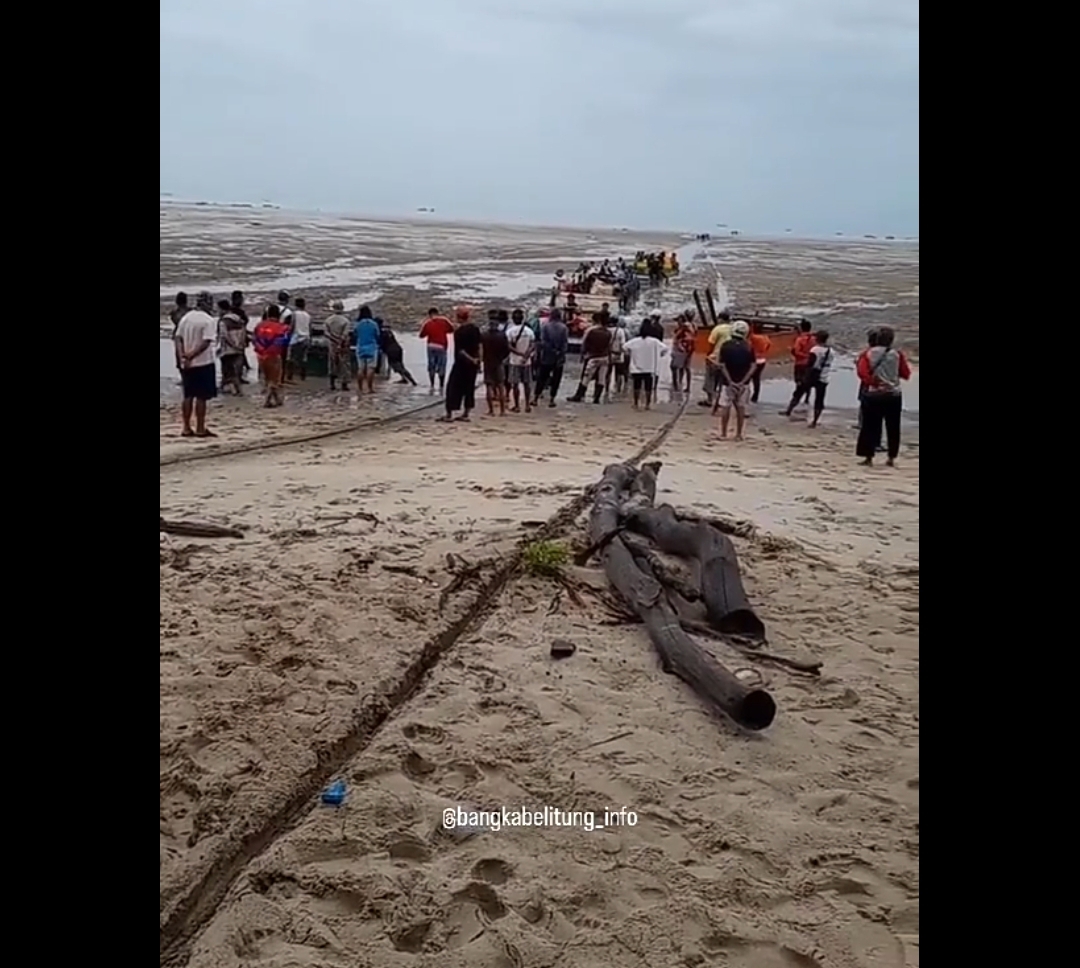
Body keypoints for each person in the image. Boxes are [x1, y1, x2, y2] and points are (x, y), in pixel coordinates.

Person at [855, 325, 911, 467]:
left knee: (870, 426)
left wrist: (874, 381)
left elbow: (862, 373)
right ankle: (891, 457)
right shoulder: (897, 354)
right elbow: (906, 374)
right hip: (893, 394)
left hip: (874, 394)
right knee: (893, 427)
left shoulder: (867, 354)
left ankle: (868, 457)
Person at [174, 291, 219, 436]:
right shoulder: (208, 320)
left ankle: (186, 427)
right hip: (203, 362)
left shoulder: (186, 318)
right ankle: (200, 427)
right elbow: (206, 342)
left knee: (188, 395)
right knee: (201, 397)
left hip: (186, 364)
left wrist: (183, 356)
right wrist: (191, 355)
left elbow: (178, 338)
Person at [714, 320, 755, 440]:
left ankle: (723, 433)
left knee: (726, 407)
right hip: (744, 384)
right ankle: (738, 434)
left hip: (728, 383)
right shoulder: (749, 347)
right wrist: (742, 382)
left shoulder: (725, 346)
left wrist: (730, 381)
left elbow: (721, 365)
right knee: (740, 408)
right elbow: (753, 366)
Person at [782, 330, 832, 427]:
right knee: (819, 399)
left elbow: (810, 364)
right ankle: (814, 421)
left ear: (817, 338)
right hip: (824, 377)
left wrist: (805, 375)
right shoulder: (830, 351)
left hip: (811, 376)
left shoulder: (815, 350)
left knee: (798, 392)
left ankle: (789, 410)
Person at [441, 307, 481, 421]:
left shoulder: (458, 332)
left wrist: (471, 359)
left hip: (461, 364)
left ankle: (449, 414)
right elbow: (479, 346)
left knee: (452, 388)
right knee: (469, 388)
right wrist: (478, 360)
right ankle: (466, 413)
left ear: (459, 318)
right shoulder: (475, 329)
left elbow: (461, 351)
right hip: (473, 364)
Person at [568, 314, 612, 404]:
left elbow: (584, 344)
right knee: (601, 378)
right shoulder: (608, 332)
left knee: (586, 377)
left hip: (592, 357)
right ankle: (597, 398)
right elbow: (609, 346)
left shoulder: (591, 331)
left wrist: (582, 354)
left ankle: (579, 395)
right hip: (604, 357)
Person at [252, 305, 290, 407]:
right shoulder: (282, 328)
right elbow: (283, 342)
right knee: (275, 379)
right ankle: (267, 400)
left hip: (260, 355)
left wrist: (261, 350)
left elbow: (254, 339)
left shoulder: (259, 326)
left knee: (267, 378)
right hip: (273, 355)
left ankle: (278, 400)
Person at [533, 308, 569, 408]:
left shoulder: (545, 326)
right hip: (559, 358)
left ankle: (535, 398)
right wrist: (560, 353)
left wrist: (550, 350)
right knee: (556, 379)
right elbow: (565, 344)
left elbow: (543, 342)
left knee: (541, 378)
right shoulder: (564, 328)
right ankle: (552, 400)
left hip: (546, 356)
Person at [624, 328, 667, 410]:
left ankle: (636, 403)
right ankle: (647, 404)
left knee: (636, 386)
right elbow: (665, 349)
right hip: (650, 367)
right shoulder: (654, 341)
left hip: (636, 368)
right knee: (648, 386)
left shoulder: (634, 341)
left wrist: (631, 354)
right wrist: (659, 355)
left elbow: (624, 347)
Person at [505, 308, 535, 412]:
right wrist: (526, 355)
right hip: (527, 362)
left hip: (514, 361)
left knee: (515, 384)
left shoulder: (510, 332)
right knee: (527, 384)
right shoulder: (529, 331)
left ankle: (517, 406)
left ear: (513, 319)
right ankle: (527, 405)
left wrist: (519, 353)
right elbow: (533, 345)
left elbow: (508, 346)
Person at [481, 314, 511, 415]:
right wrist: (502, 358)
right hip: (499, 362)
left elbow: (481, 349)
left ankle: (491, 410)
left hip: (488, 362)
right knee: (500, 386)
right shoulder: (502, 335)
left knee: (489, 386)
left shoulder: (484, 335)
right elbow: (507, 350)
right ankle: (502, 411)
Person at [419, 307, 454, 392]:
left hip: (431, 346)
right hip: (441, 346)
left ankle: (432, 384)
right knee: (442, 366)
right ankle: (441, 386)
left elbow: (421, 335)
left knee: (431, 365)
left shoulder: (427, 323)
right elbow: (452, 329)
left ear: (430, 315)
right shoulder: (444, 321)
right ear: (437, 313)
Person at [216, 298, 246, 395]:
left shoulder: (223, 321)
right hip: (239, 348)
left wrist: (232, 345)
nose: (218, 312)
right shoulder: (238, 319)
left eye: (218, 309)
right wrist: (240, 345)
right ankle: (229, 388)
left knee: (228, 370)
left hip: (227, 350)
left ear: (222, 309)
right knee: (235, 371)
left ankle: (235, 390)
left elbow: (224, 336)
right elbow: (244, 332)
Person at [703, 311, 733, 406]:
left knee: (710, 378)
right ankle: (719, 400)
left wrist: (708, 355)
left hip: (715, 357)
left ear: (721, 319)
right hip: (728, 358)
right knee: (721, 380)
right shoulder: (733, 329)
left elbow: (711, 344)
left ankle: (709, 400)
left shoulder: (717, 329)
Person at [377, 318, 418, 385]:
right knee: (400, 366)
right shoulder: (388, 331)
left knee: (398, 367)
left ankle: (413, 381)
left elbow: (381, 343)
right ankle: (404, 379)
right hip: (398, 349)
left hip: (391, 351)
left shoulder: (380, 332)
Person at [324, 301, 353, 391]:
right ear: (342, 308)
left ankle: (332, 384)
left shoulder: (328, 320)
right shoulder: (345, 321)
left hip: (332, 344)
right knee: (344, 364)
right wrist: (340, 342)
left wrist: (334, 340)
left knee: (332, 363)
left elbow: (326, 333)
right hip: (343, 345)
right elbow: (345, 334)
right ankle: (344, 384)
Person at [786, 319, 815, 411]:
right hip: (810, 364)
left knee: (799, 383)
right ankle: (806, 399)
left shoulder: (800, 339)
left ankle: (791, 407)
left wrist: (792, 351)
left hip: (800, 364)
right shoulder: (814, 339)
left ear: (801, 328)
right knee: (807, 382)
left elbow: (796, 351)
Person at [855, 329, 880, 430]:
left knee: (864, 402)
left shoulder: (866, 353)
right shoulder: (889, 353)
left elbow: (860, 369)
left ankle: (862, 423)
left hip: (867, 381)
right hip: (881, 382)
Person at [354, 305, 381, 393]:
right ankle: (370, 388)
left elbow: (355, 334)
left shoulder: (358, 324)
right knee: (371, 368)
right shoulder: (373, 324)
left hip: (360, 347)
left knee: (360, 368)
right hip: (372, 347)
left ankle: (360, 388)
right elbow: (377, 335)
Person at [286, 297, 311, 383]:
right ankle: (303, 376)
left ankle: (290, 376)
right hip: (306, 337)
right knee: (304, 358)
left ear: (295, 305)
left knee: (291, 358)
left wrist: (287, 335)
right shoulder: (308, 315)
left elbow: (292, 326)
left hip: (296, 338)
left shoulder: (294, 314)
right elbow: (310, 327)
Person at [671, 314, 695, 393]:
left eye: (678, 320)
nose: (677, 322)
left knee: (674, 367)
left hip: (681, 351)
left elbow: (677, 339)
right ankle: (684, 385)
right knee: (685, 368)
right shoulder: (692, 327)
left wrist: (679, 347)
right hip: (688, 350)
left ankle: (676, 386)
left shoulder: (683, 329)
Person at [748, 322, 772, 403]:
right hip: (762, 360)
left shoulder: (754, 337)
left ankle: (747, 395)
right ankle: (755, 396)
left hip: (755, 360)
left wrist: (750, 326)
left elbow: (749, 335)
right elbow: (769, 345)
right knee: (756, 378)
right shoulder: (766, 337)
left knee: (747, 377)